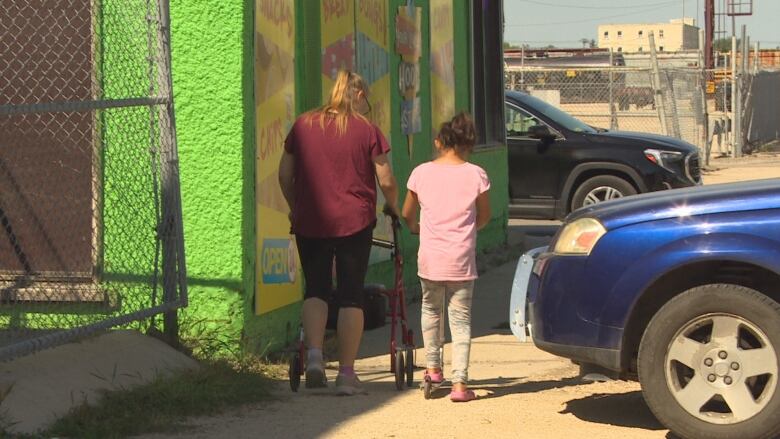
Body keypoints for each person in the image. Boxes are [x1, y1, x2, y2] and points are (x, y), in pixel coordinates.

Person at [278, 70, 399, 395]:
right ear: (358, 95)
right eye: (366, 102)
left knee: (316, 289)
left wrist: (296, 205)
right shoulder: (366, 129)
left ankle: (315, 358)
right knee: (350, 295)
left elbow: (284, 173)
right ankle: (346, 374)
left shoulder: (303, 124)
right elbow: (385, 177)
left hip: (310, 221)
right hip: (354, 222)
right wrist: (395, 207)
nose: (366, 108)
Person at [401, 112, 491, 402]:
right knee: (461, 322)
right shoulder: (476, 174)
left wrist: (417, 228)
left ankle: (433, 368)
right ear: (468, 144)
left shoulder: (421, 173)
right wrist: (466, 231)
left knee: (430, 311)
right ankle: (460, 385)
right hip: (461, 259)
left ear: (439, 142)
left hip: (431, 257)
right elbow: (485, 215)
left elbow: (406, 213)